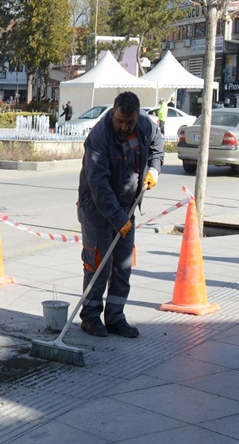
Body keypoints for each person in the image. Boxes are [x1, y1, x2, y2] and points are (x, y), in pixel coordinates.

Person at [77, 91, 164, 339]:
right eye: (120, 121)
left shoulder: (146, 126)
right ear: (113, 113)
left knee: (123, 267)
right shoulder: (99, 138)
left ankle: (115, 317)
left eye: (129, 122)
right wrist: (117, 218)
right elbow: (99, 185)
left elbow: (158, 146)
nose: (124, 127)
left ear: (137, 117)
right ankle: (91, 317)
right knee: (98, 265)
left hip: (126, 208)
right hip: (97, 209)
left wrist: (154, 170)